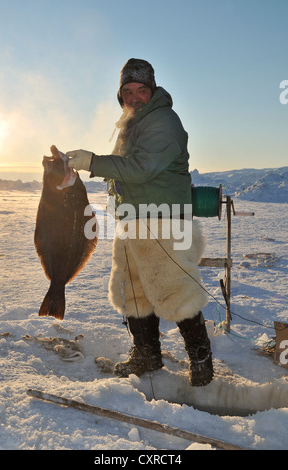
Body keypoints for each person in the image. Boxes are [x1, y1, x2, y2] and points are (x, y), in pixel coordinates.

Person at [67, 58, 214, 386]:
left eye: (140, 90)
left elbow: (141, 167)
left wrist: (91, 161)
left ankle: (201, 361)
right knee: (133, 290)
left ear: (152, 90)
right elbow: (124, 171)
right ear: (120, 96)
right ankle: (146, 354)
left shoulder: (162, 120)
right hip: (134, 220)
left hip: (162, 220)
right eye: (127, 92)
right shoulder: (131, 124)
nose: (133, 97)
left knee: (173, 291)